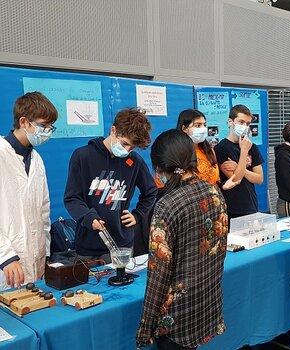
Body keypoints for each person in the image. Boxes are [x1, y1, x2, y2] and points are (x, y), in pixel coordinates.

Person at [136, 130, 228, 350]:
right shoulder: (214, 192)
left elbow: (158, 274)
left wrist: (145, 327)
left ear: (158, 168)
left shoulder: (167, 206)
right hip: (206, 303)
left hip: (176, 319)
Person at [64, 108, 157, 263]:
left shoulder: (135, 162)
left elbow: (151, 191)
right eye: (125, 143)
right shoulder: (83, 156)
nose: (127, 150)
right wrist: (87, 217)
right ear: (113, 130)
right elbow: (72, 198)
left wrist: (138, 215)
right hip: (88, 246)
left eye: (132, 147)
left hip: (122, 245)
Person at [0, 92, 58, 290]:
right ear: (24, 121)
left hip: (34, 262)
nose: (47, 131)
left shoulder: (37, 160)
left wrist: (45, 254)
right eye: (43, 125)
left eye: (51, 127)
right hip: (6, 263)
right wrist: (6, 256)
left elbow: (43, 212)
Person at [214, 104, 264, 219]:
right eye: (241, 122)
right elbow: (236, 179)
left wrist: (238, 167)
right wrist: (244, 152)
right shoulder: (221, 148)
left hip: (251, 204)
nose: (245, 126)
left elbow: (259, 178)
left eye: (247, 124)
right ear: (230, 122)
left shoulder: (252, 147)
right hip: (233, 208)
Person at [176, 109, 219, 185]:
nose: (203, 129)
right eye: (198, 125)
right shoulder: (177, 153)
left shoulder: (209, 151)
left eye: (204, 125)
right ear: (184, 129)